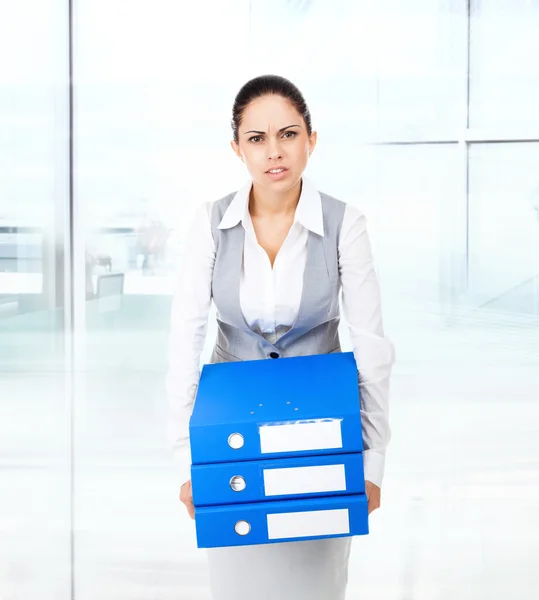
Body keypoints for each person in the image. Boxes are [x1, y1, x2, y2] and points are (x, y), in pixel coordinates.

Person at [165, 74, 395, 600]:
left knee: (315, 579)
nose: (274, 152)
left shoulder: (345, 223)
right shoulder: (209, 224)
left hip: (321, 435)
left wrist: (372, 459)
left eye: (288, 134)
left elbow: (373, 348)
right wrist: (187, 459)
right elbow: (185, 340)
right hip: (230, 440)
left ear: (311, 140)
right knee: (239, 578)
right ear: (236, 149)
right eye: (257, 138)